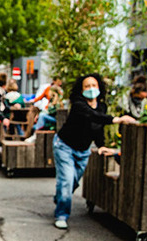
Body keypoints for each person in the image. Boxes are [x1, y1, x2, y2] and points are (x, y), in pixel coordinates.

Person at [52, 73, 136, 229]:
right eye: (87, 86)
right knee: (67, 180)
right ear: (81, 89)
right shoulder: (78, 104)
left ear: (99, 88)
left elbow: (97, 127)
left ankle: (60, 197)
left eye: (94, 85)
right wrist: (116, 119)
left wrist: (101, 144)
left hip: (83, 151)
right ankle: (61, 215)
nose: (91, 89)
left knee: (73, 182)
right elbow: (93, 116)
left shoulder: (101, 106)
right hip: (64, 146)